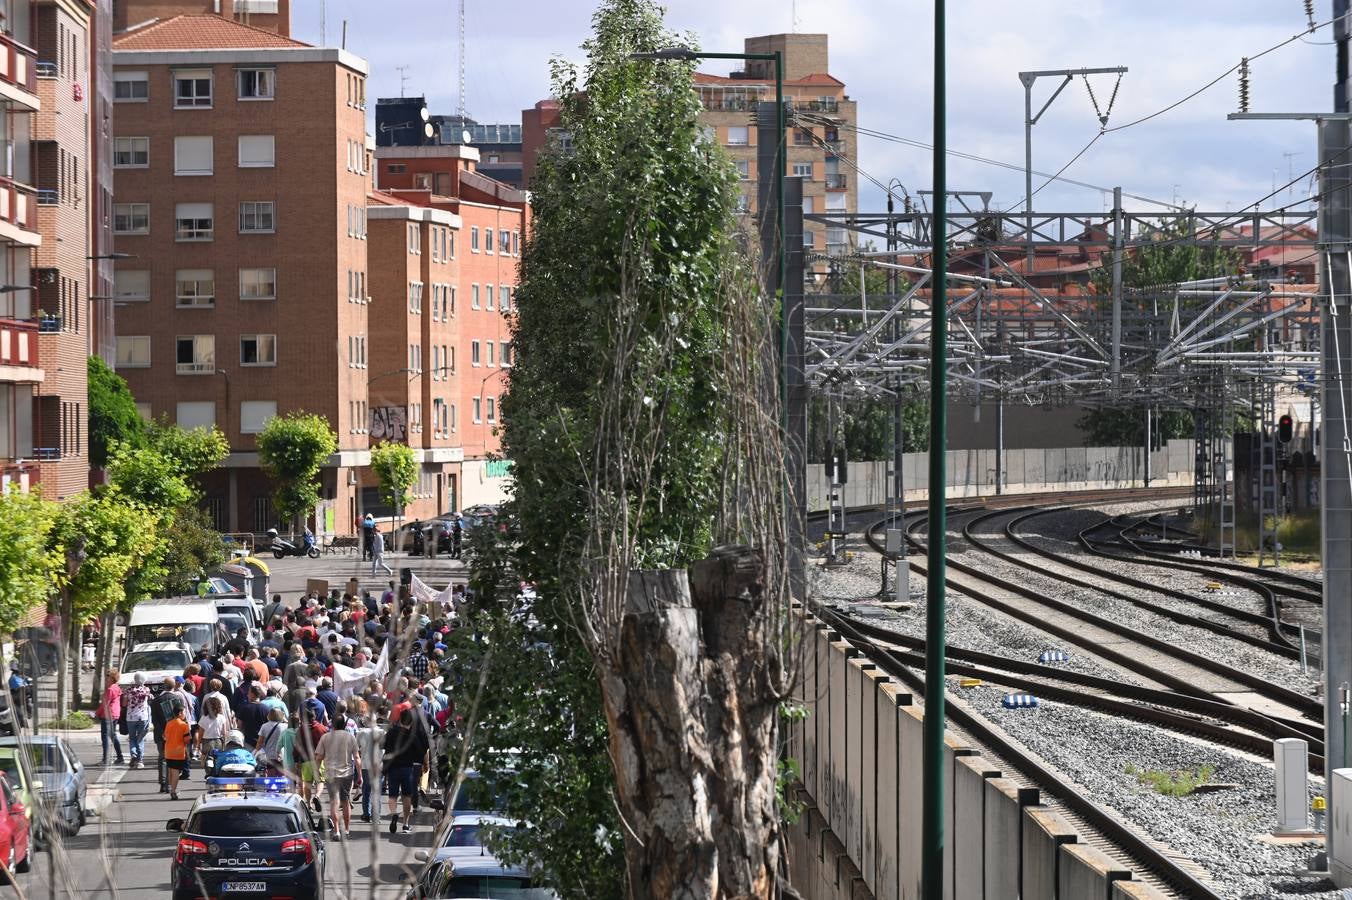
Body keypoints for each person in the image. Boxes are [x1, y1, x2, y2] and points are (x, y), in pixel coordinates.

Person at [383, 707, 428, 835]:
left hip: (392, 768)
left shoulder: (391, 732)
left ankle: (394, 815)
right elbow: (420, 753)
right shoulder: (412, 736)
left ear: (400, 720)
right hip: (407, 768)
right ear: (411, 722)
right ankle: (406, 824)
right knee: (407, 796)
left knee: (392, 795)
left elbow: (383, 745)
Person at [315, 715, 361, 839]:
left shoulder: (325, 737)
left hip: (331, 773)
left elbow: (318, 757)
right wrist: (360, 775)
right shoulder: (350, 737)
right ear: (345, 724)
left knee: (334, 802)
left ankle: (336, 831)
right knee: (346, 802)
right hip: (346, 773)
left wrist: (317, 770)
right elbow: (356, 757)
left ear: (332, 724)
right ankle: (346, 830)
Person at [152, 678, 186, 793]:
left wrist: (162, 732)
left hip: (161, 733)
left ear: (164, 686)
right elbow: (181, 717)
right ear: (174, 686)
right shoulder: (176, 699)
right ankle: (170, 785)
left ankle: (163, 783)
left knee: (162, 758)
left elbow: (154, 720)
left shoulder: (156, 701)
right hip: (175, 734)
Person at [96, 669, 125, 767]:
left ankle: (106, 759)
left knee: (105, 737)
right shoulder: (116, 687)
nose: (106, 677)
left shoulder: (110, 689)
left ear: (112, 678)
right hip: (115, 714)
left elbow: (105, 704)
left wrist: (97, 713)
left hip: (108, 714)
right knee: (113, 736)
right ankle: (120, 757)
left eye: (108, 675)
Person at [163, 704, 191, 801]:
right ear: (180, 713)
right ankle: (173, 791)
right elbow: (187, 739)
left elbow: (165, 736)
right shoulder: (184, 725)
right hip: (178, 752)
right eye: (184, 712)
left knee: (171, 770)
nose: (185, 714)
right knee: (176, 772)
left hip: (168, 750)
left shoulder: (169, 723)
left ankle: (171, 788)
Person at [124, 672, 151, 769]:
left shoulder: (129, 690)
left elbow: (124, 703)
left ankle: (133, 754)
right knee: (140, 738)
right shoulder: (146, 690)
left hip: (130, 717)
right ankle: (140, 760)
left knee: (132, 737)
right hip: (143, 717)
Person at [255, 707, 288, 775]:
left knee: (271, 775)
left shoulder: (264, 726)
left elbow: (260, 742)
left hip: (269, 755)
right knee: (282, 775)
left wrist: (256, 751)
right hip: (282, 754)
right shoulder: (285, 726)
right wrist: (285, 719)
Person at [197, 695, 230, 760]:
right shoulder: (222, 718)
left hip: (206, 741)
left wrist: (198, 743)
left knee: (206, 758)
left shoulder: (203, 718)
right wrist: (225, 743)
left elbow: (200, 732)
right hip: (218, 741)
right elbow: (224, 733)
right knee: (217, 759)